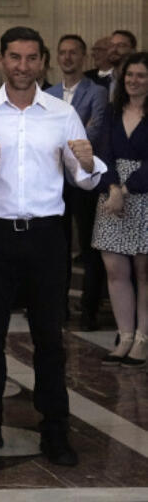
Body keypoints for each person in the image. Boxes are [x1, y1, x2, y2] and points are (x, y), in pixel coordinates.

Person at [0, 27, 106, 467]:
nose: (23, 66)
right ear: (2, 60)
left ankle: (55, 432)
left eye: (31, 58)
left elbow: (83, 178)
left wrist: (89, 163)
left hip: (45, 236)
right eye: (15, 57)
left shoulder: (62, 113)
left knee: (49, 339)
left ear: (42, 62)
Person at [46, 34, 109, 331]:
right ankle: (57, 307)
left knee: (89, 246)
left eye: (74, 53)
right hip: (54, 180)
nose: (68, 58)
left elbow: (94, 130)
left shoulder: (96, 91)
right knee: (56, 248)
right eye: (63, 52)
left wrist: (63, 147)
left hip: (83, 178)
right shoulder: (48, 92)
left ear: (83, 57)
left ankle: (89, 309)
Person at [92, 51, 148, 364]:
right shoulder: (114, 112)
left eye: (141, 75)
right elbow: (102, 153)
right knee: (115, 270)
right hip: (111, 195)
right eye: (129, 75)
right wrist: (113, 188)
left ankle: (143, 338)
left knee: (144, 272)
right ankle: (124, 336)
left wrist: (126, 189)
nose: (134, 81)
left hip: (143, 194)